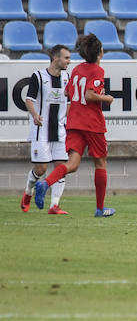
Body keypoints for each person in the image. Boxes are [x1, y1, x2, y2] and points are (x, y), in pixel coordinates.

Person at [34, 35, 116, 217]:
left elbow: (66, 91)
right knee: (100, 163)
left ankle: (45, 183)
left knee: (72, 164)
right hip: (92, 123)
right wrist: (106, 98)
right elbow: (89, 95)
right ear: (100, 53)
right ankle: (100, 209)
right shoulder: (97, 71)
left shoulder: (77, 69)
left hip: (74, 122)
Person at [21, 45, 71, 215]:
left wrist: (67, 122)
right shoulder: (39, 76)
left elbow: (69, 102)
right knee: (41, 169)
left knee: (60, 167)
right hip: (41, 129)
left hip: (60, 130)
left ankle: (54, 205)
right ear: (56, 58)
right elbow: (29, 99)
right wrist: (35, 114)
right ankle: (28, 191)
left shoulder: (67, 77)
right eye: (66, 58)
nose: (68, 62)